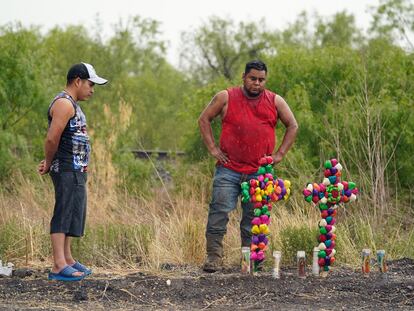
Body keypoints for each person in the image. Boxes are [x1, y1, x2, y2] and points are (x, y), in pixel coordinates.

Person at [198, 60, 298, 272]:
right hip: (229, 169)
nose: (257, 83)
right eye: (253, 79)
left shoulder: (275, 100)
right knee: (219, 212)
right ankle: (213, 258)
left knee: (253, 219)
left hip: (259, 173)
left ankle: (250, 261)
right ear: (243, 77)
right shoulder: (226, 96)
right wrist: (214, 149)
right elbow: (204, 119)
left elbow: (293, 125)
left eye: (261, 80)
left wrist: (280, 154)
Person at [38, 62, 108, 281]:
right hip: (66, 167)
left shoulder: (73, 105)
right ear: (77, 80)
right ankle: (58, 265)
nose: (92, 89)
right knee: (64, 210)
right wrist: (49, 162)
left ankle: (67, 258)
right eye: (90, 83)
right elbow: (52, 137)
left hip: (77, 168)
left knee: (74, 211)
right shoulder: (63, 104)